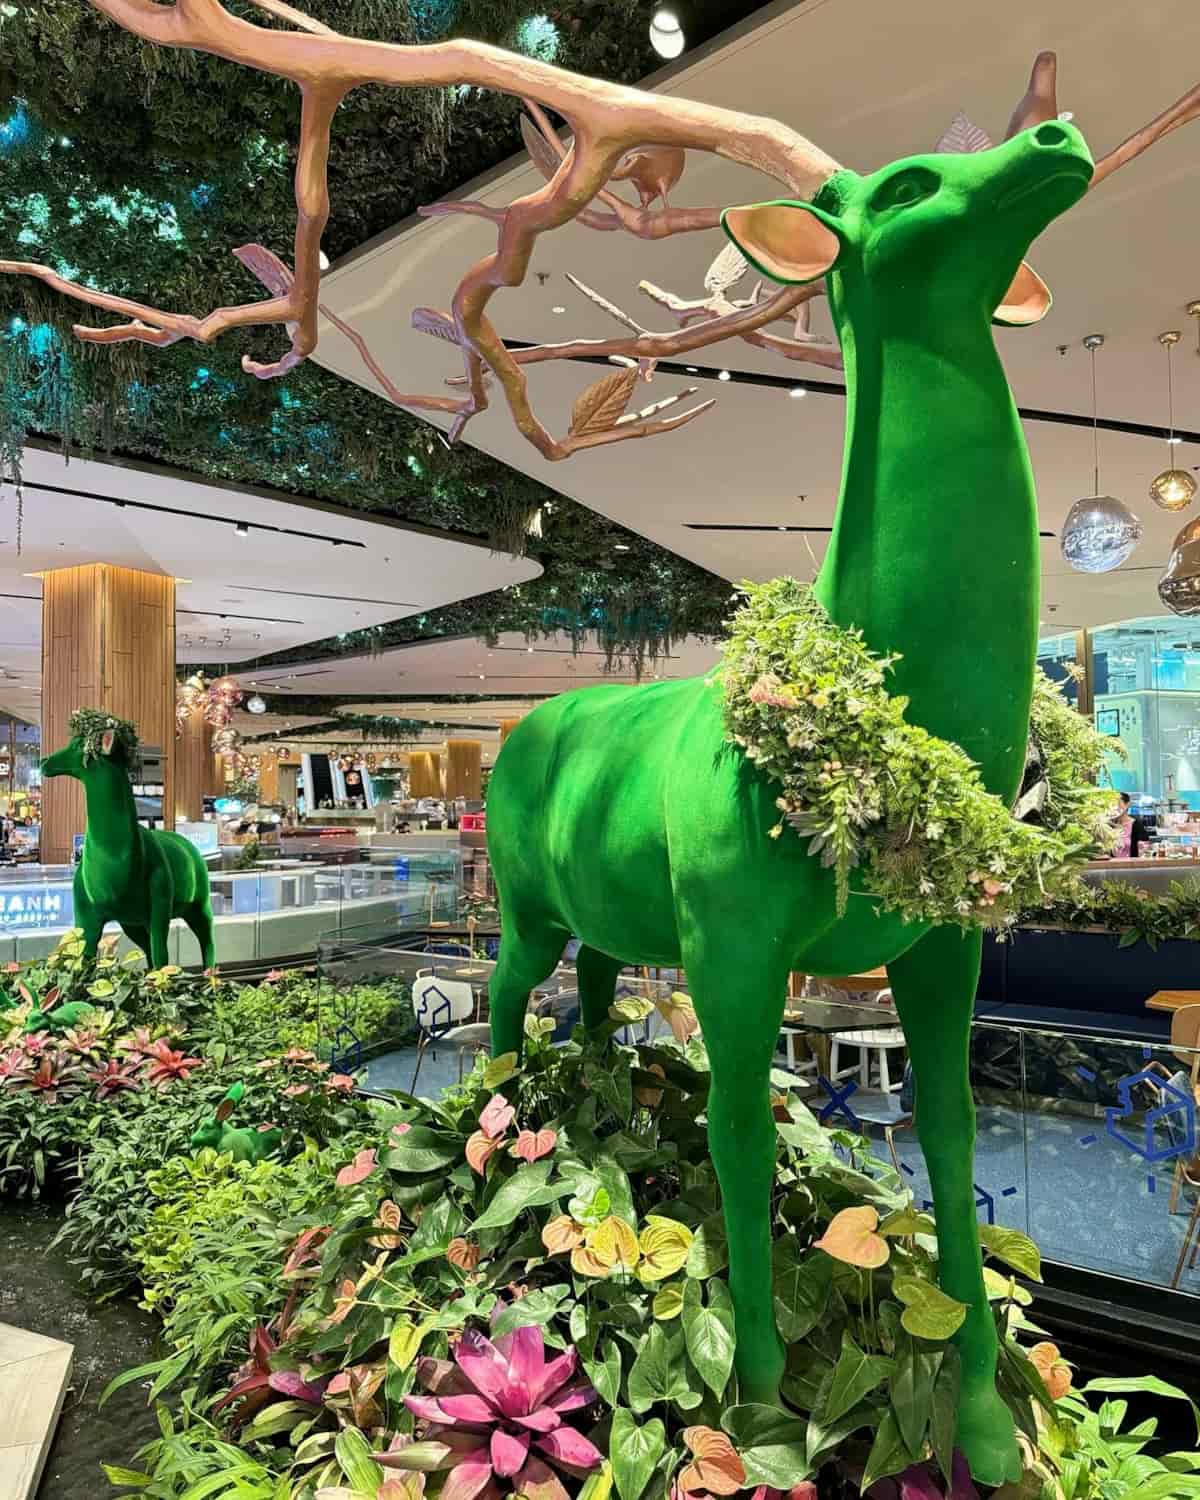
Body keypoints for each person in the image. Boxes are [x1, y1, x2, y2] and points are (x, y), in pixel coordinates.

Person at [1113, 792, 1149, 858]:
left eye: (1118, 803)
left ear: (1127, 804)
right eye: (1113, 804)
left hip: (1130, 864)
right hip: (1111, 864)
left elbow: (1144, 851)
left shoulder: (1137, 825)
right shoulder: (1108, 826)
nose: (1115, 807)